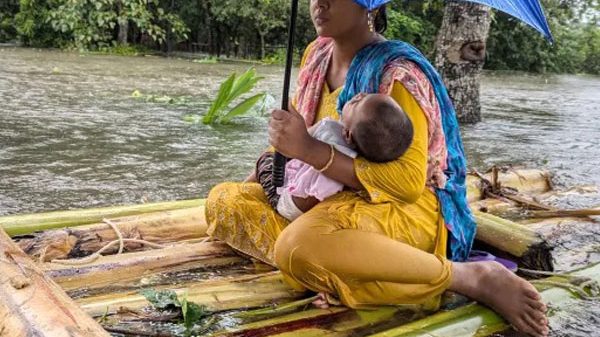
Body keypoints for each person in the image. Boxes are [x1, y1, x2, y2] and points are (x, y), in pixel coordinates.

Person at [205, 1, 549, 336]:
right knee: (224, 200)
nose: (319, 5)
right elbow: (295, 136)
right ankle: (341, 270)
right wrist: (262, 177)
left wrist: (311, 151)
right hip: (323, 196)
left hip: (397, 208)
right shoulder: (316, 55)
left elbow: (407, 183)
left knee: (298, 246)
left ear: (369, 7)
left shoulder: (397, 74)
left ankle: (466, 277)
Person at [257, 93, 414, 221]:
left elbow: (306, 200)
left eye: (357, 103)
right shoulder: (358, 158)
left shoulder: (333, 142)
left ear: (347, 135)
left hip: (287, 204)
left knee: (265, 160)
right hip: (295, 196)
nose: (359, 94)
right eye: (366, 95)